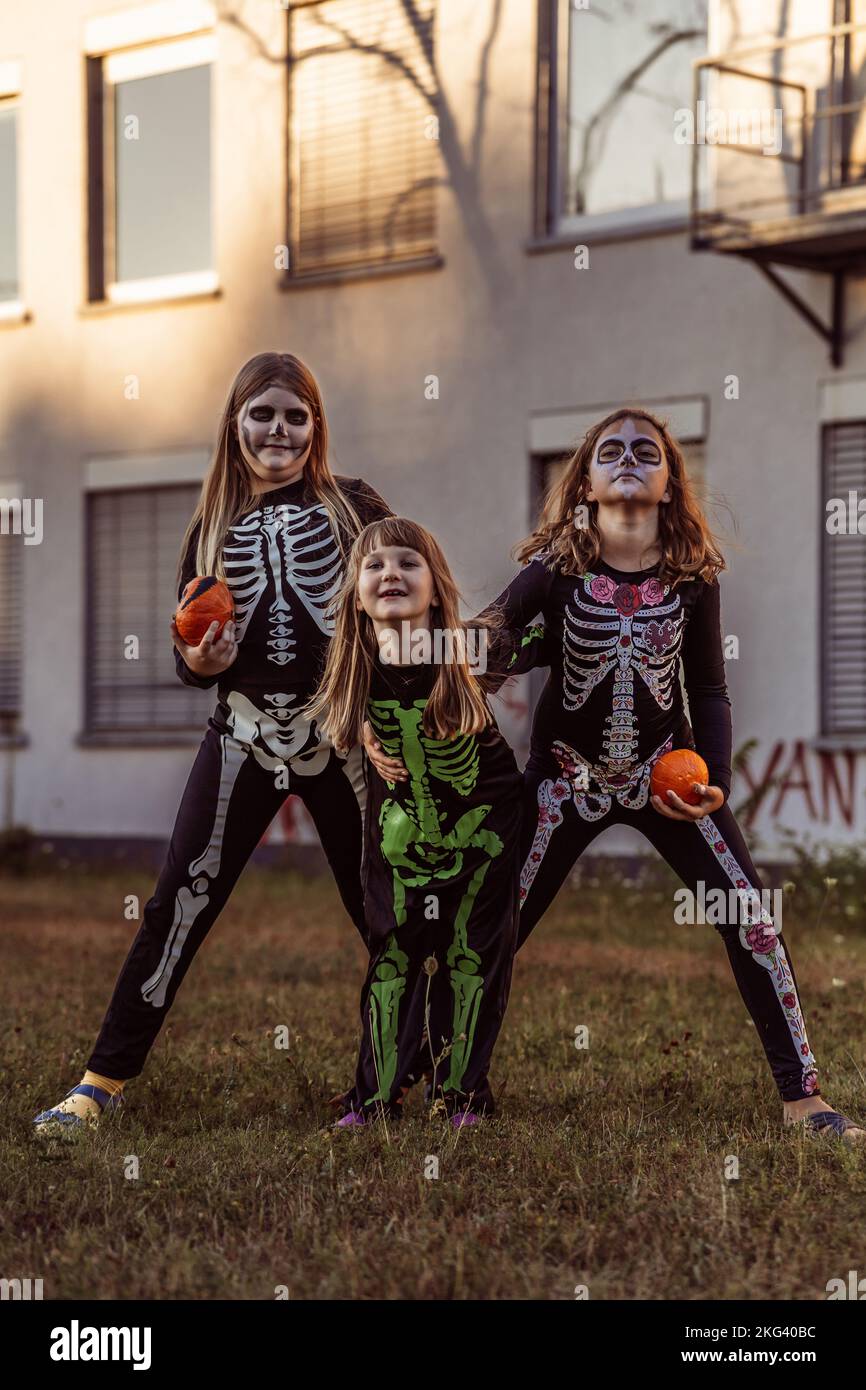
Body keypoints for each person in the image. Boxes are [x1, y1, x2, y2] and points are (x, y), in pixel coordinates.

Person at [365, 408, 863, 1144]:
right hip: (564, 781)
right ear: (587, 484)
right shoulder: (555, 570)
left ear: (670, 484)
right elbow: (488, 640)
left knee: (752, 920)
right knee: (490, 928)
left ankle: (803, 1098)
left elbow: (709, 688)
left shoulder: (694, 577)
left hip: (668, 780)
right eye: (611, 451)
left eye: (646, 452)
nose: (628, 458)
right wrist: (384, 706)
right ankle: (422, 1070)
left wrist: (716, 779)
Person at [34, 352, 393, 1133]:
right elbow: (189, 654)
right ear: (235, 424)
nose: (278, 430)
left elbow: (400, 610)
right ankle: (98, 1085)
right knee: (178, 903)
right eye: (262, 414)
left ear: (316, 425)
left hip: (339, 736)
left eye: (295, 415)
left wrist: (383, 713)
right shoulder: (210, 528)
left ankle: (397, 1077)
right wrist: (200, 663)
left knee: (384, 907)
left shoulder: (354, 506)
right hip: (242, 737)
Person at [306, 517, 548, 1126]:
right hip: (398, 829)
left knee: (474, 954)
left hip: (485, 824)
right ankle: (374, 1098)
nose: (391, 573)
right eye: (375, 565)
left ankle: (461, 1095)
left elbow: (542, 628)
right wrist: (364, 725)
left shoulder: (464, 649)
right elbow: (326, 714)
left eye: (408, 563)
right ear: (356, 596)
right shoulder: (352, 662)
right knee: (393, 953)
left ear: (437, 588)